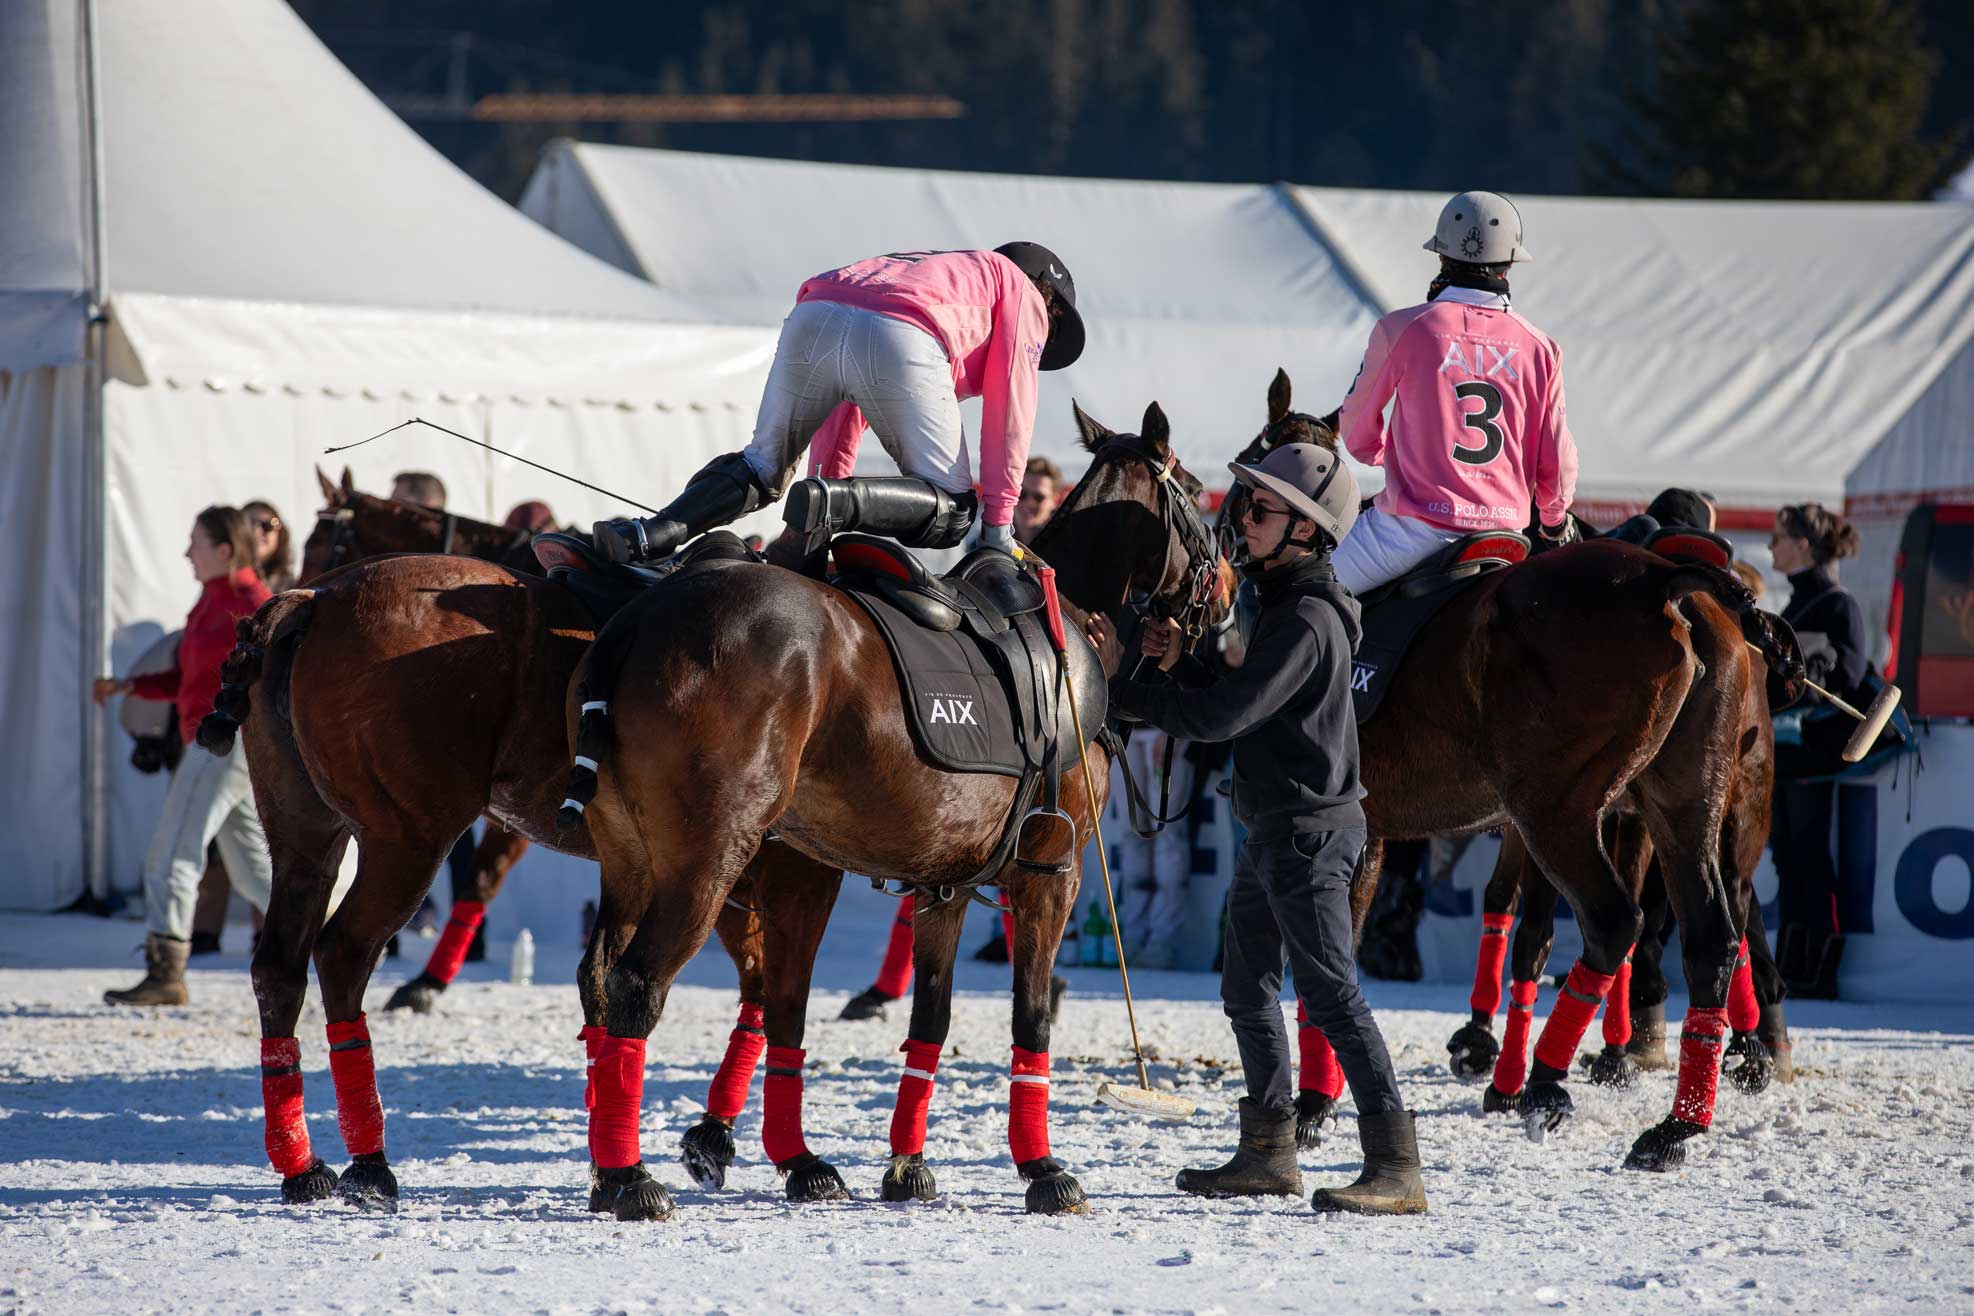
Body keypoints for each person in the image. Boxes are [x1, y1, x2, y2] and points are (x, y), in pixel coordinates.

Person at [1087, 442, 1426, 1216]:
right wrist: (1181, 660)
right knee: (1246, 990)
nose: (1245, 517)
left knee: (1333, 997)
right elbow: (1241, 695)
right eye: (1245, 504)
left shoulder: (1307, 615)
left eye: (1262, 509)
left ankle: (1396, 1165)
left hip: (1308, 835)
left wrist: (1118, 689)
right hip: (1276, 829)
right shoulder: (1284, 604)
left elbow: (1225, 717)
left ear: (1308, 530)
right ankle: (1270, 1151)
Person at [592, 244, 1084, 564]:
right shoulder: (1023, 292)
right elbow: (1010, 414)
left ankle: (647, 534)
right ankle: (827, 505)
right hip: (903, 332)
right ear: (1050, 302)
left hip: (816, 310)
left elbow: (850, 401)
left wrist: (819, 491)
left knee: (763, 467)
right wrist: (999, 524)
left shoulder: (945, 268)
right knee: (956, 511)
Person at [1333, 191, 1577, 594]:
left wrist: (1379, 454)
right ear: (1509, 264)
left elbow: (1356, 424)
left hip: (1412, 531)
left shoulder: (1404, 328)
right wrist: (1553, 519)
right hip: (1507, 536)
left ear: (1443, 257)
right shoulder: (1540, 347)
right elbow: (1557, 455)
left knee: (1307, 592)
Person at [94, 506, 274, 1006]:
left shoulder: (254, 604)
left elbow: (267, 689)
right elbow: (191, 680)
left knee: (173, 850)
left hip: (223, 741)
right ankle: (333, 933)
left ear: (223, 550)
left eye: (194, 542)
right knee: (253, 871)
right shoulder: (211, 601)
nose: (186, 553)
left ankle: (166, 969)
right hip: (211, 738)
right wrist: (131, 686)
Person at [1768, 502, 1868, 1000]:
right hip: (1784, 756)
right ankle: (1791, 961)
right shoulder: (1797, 603)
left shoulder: (1837, 603)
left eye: (1778, 537)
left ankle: (1820, 967)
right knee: (1786, 857)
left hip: (1811, 756)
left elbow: (1848, 675)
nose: (1769, 546)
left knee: (1808, 857)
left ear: (1803, 545)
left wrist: (1810, 675)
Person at [1117, 729, 1195, 968]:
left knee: (1167, 834)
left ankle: (1162, 940)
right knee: (1132, 833)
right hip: (1123, 729)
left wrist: (1173, 726)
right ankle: (1132, 934)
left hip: (1165, 723)